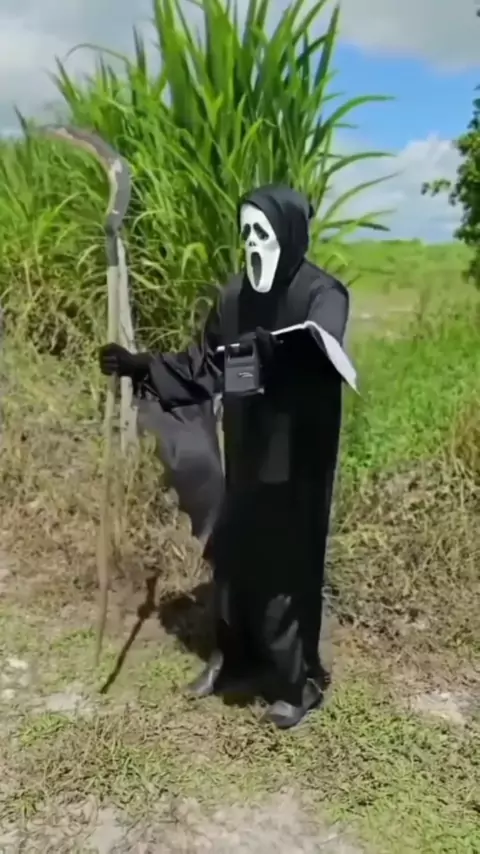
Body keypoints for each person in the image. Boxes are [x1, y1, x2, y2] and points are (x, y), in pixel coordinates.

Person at [99, 184, 353, 729]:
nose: (252, 242)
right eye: (246, 232)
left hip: (298, 453)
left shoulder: (322, 293)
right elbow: (207, 363)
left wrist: (273, 355)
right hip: (246, 445)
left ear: (289, 233)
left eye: (263, 232)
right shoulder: (235, 295)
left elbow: (320, 353)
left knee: (287, 564)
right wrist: (142, 366)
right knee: (236, 554)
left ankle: (296, 683)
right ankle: (234, 660)